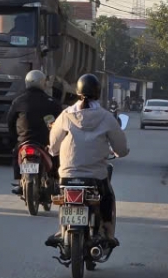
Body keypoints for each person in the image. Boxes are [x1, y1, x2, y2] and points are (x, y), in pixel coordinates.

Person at [46, 73, 129, 247]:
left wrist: (54, 151)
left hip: (68, 174)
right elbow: (120, 148)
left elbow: (53, 145)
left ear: (77, 92)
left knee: (65, 197)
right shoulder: (106, 117)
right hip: (95, 176)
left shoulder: (66, 115)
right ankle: (108, 232)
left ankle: (62, 230)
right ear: (98, 93)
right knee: (107, 196)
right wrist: (120, 152)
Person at [7, 69, 63, 194]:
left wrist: (13, 138)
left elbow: (10, 121)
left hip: (24, 140)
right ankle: (56, 181)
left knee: (16, 152)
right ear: (43, 83)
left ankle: (19, 180)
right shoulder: (52, 103)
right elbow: (61, 123)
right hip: (45, 142)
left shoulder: (18, 101)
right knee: (57, 155)